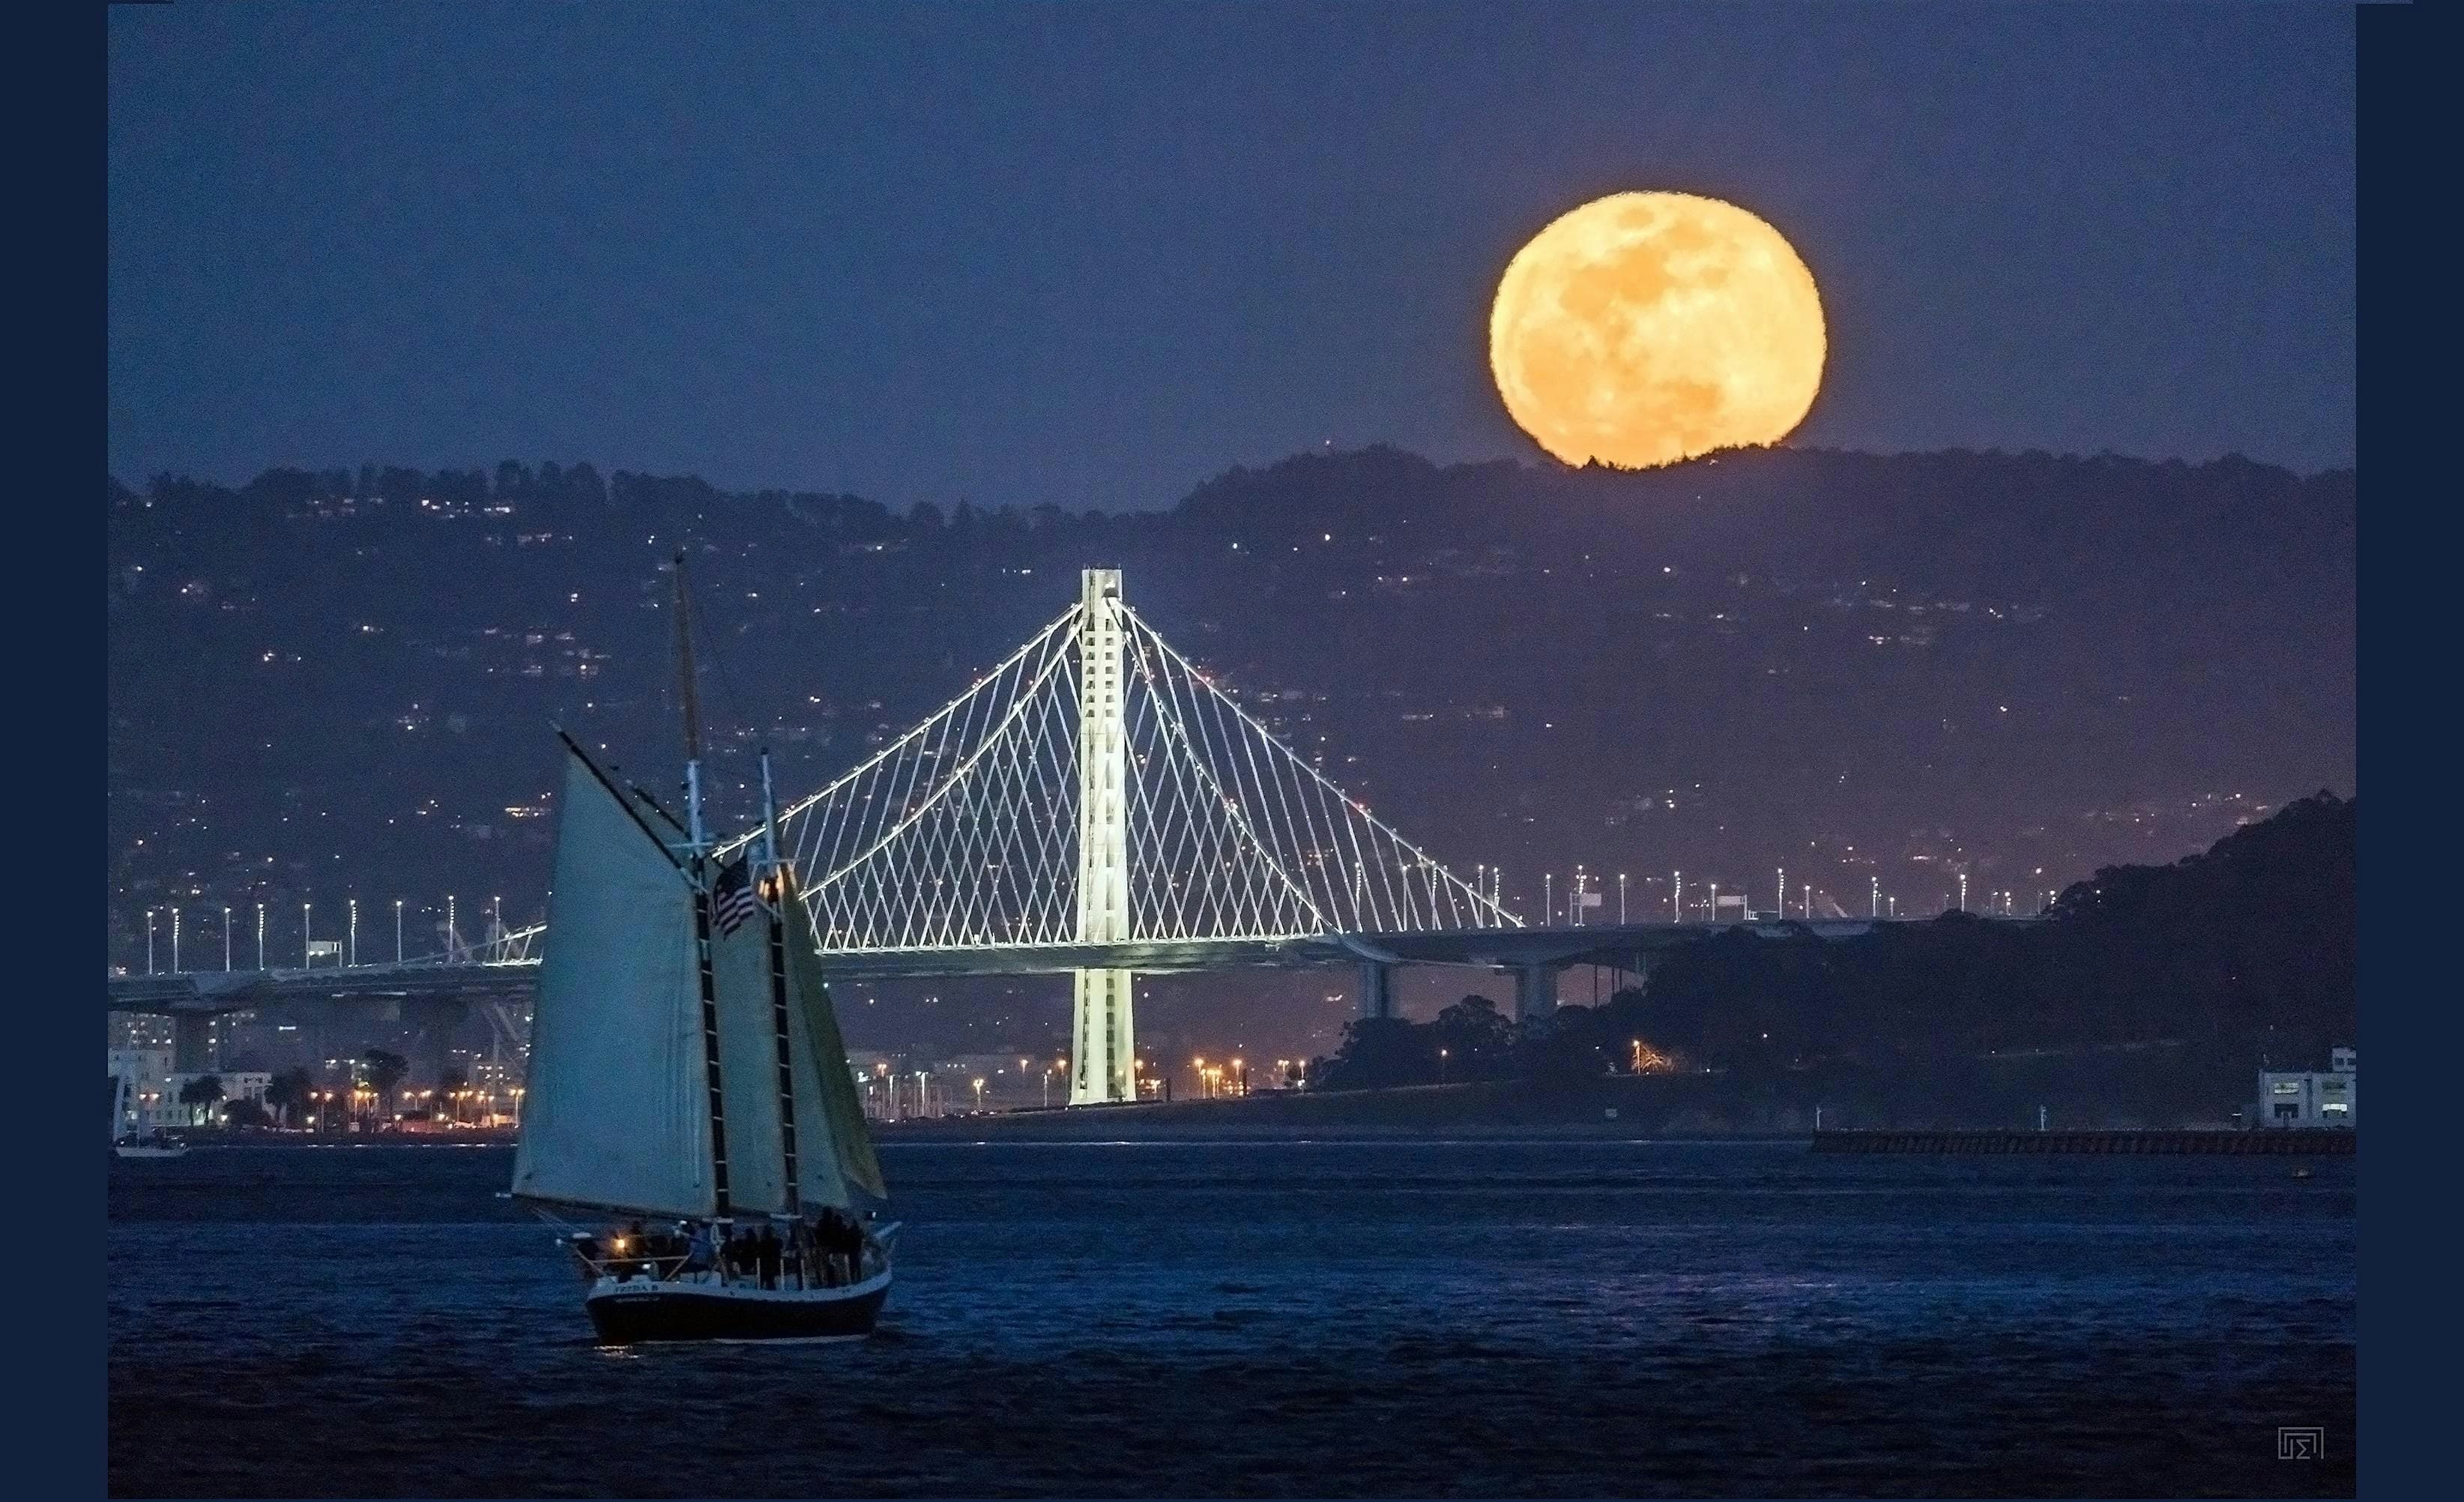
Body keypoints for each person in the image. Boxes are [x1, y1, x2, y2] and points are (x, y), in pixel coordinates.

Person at [756, 1225, 781, 1290]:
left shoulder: (764, 1243)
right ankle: (769, 1289)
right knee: (768, 1279)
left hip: (766, 1263)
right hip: (770, 1263)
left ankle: (760, 1289)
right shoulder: (774, 1242)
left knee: (764, 1278)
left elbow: (760, 1251)